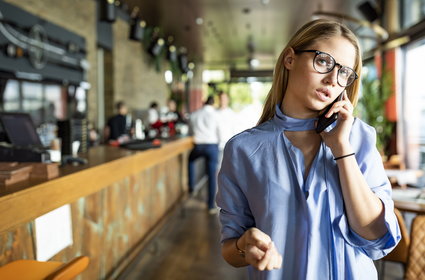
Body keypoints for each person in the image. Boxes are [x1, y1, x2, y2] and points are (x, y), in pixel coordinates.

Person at [216, 19, 400, 279]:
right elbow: (230, 250)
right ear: (290, 59)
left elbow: (376, 235)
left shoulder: (359, 137)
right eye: (324, 61)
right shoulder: (243, 149)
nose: (332, 80)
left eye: (344, 72)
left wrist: (341, 148)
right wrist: (245, 245)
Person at [188, 96, 220, 213]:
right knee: (212, 176)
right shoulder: (216, 115)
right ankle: (211, 206)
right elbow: (219, 132)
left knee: (191, 160)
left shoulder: (195, 114)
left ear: (204, 103)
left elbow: (190, 131)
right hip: (212, 146)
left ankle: (192, 187)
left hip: (198, 146)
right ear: (213, 103)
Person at [216, 91, 239, 163]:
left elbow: (235, 130)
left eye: (224, 98)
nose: (223, 100)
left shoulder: (232, 114)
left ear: (228, 100)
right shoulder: (214, 113)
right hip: (217, 145)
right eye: (221, 98)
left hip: (228, 145)